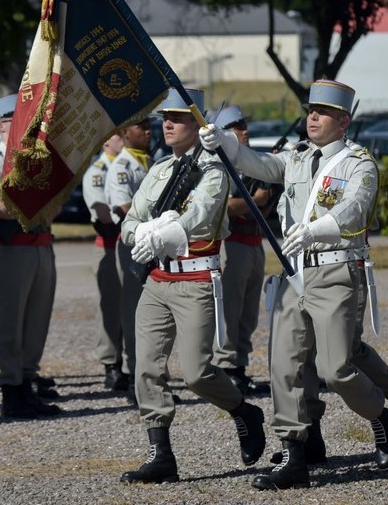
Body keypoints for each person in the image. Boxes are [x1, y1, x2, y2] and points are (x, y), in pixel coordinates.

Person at [203, 80, 388, 490]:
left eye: (322, 112)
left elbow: (354, 209)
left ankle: (385, 418)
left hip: (334, 271)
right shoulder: (295, 158)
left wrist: (316, 230)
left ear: (343, 121)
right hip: (295, 273)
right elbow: (256, 164)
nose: (312, 118)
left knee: (336, 369)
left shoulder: (358, 162)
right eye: (310, 111)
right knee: (284, 365)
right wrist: (223, 142)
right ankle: (294, 453)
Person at [119, 89, 265, 485]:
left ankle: (243, 411)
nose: (166, 124)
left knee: (198, 373)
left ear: (198, 125)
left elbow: (201, 216)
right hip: (157, 280)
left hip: (197, 279)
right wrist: (142, 233)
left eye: (177, 118)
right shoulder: (160, 170)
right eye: (164, 117)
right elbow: (129, 222)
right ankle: (160, 452)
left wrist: (164, 231)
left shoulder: (215, 171)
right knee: (145, 367)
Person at [0, 94, 60, 418]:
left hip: (41, 244)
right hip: (14, 248)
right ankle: (11, 390)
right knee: (11, 323)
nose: (25, 122)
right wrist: (28, 208)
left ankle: (27, 381)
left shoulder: (35, 158)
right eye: (16, 118)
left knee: (37, 321)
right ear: (1, 124)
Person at [210, 105, 272, 397]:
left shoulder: (251, 165)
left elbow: (264, 206)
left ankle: (240, 366)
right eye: (237, 126)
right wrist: (255, 201)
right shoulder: (217, 166)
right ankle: (225, 367)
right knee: (230, 311)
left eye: (245, 125)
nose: (244, 131)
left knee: (248, 314)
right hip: (232, 244)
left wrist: (267, 197)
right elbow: (225, 206)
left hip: (254, 242)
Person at [104, 114, 153, 402]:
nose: (148, 131)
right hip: (134, 244)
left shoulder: (152, 160)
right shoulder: (121, 167)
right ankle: (137, 377)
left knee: (155, 313)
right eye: (141, 127)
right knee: (135, 313)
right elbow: (125, 208)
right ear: (125, 131)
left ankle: (153, 377)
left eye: (149, 127)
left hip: (153, 244)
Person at [81, 134, 130, 391]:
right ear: (105, 141)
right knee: (111, 309)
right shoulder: (98, 172)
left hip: (131, 246)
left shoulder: (132, 164)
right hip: (110, 247)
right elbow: (105, 214)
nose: (123, 137)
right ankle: (111, 365)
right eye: (117, 133)